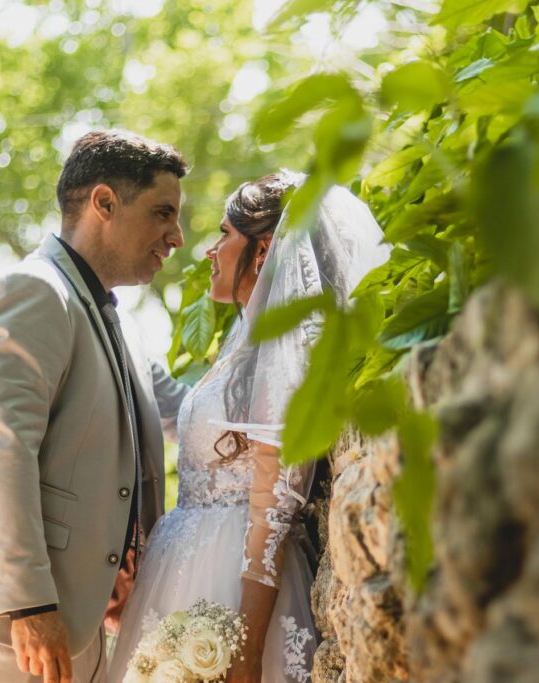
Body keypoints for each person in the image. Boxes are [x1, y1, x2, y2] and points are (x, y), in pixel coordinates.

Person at [0, 129, 191, 683]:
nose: (176, 237)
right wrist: (28, 603)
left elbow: (188, 412)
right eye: (163, 213)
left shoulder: (121, 324)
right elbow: (0, 454)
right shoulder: (31, 292)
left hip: (79, 609)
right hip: (7, 618)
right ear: (104, 202)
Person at [107, 172, 391, 683]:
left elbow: (274, 504)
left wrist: (247, 642)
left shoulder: (284, 350)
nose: (210, 251)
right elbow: (192, 424)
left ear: (263, 252)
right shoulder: (246, 341)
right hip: (185, 568)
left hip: (234, 581)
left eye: (224, 234)